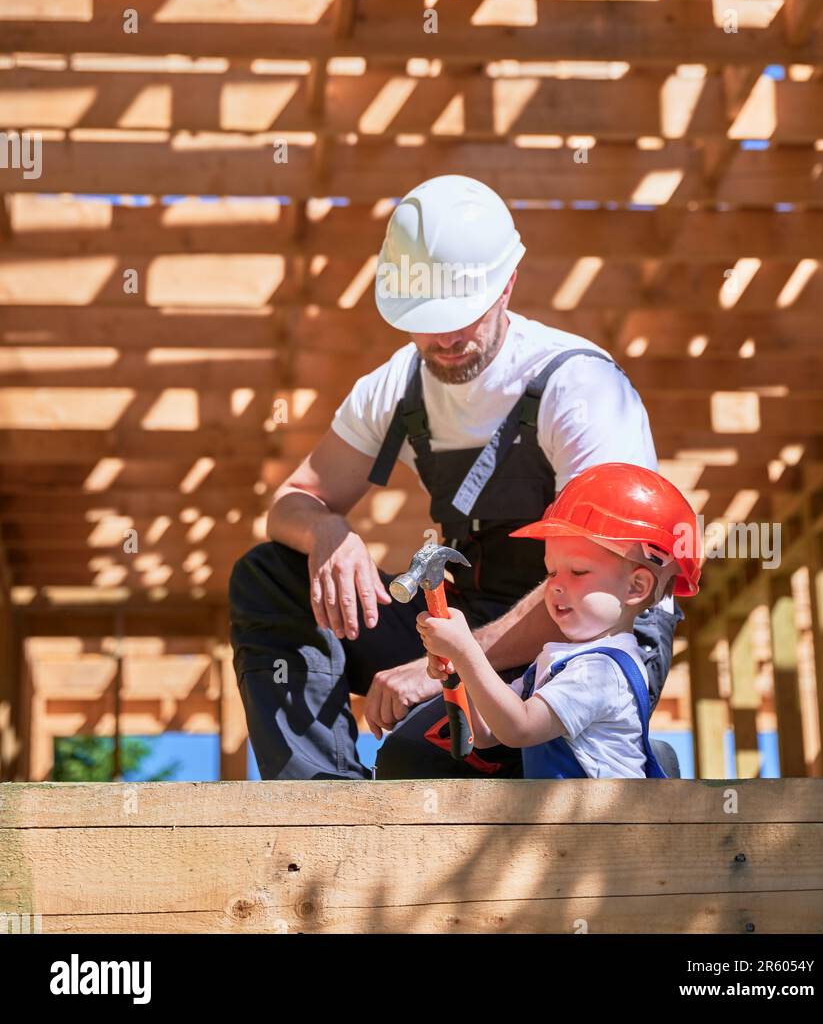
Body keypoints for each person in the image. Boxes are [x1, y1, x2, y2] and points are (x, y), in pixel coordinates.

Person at [229, 174, 684, 780]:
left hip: (587, 641)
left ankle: (623, 754)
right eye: (427, 316)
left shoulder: (577, 387)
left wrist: (441, 666)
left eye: (464, 312)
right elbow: (292, 501)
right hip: (467, 628)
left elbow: (603, 581)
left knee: (417, 759)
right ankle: (320, 805)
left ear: (508, 285)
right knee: (269, 574)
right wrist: (326, 531)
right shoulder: (396, 388)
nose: (446, 337)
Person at [417, 463, 703, 779]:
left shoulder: (601, 671)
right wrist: (460, 671)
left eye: (578, 572)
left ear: (636, 587)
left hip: (605, 827)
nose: (554, 585)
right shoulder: (557, 662)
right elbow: (488, 733)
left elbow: (519, 728)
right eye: (551, 572)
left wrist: (467, 651)